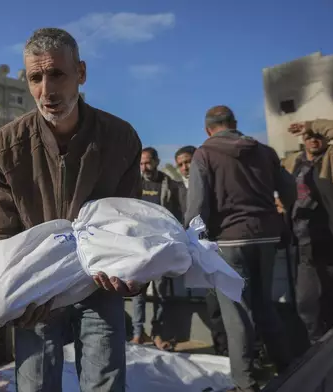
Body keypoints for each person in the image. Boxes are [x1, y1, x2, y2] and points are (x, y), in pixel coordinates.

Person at [0, 27, 142, 392]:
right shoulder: (7, 146)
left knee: (105, 382)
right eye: (35, 77)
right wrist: (16, 290)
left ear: (81, 73)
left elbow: (132, 224)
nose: (46, 90)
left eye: (56, 74)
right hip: (37, 290)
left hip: (99, 285)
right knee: (34, 383)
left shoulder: (120, 138)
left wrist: (132, 274)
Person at [185, 105, 296, 392]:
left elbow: (197, 205)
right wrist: (283, 220)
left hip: (229, 241)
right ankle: (287, 366)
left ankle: (245, 383)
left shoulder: (204, 154)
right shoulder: (264, 151)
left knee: (236, 313)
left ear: (208, 129)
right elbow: (290, 190)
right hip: (267, 238)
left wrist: (194, 241)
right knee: (264, 304)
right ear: (234, 123)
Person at [282, 120, 333, 344]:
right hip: (305, 241)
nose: (313, 139)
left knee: (332, 303)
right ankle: (317, 345)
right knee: (306, 302)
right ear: (302, 141)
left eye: (317, 135)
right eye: (308, 137)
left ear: (325, 138)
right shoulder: (292, 162)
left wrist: (311, 125)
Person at [175, 145, 229, 357]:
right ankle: (222, 350)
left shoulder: (211, 182)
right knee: (213, 304)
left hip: (219, 246)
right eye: (180, 164)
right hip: (200, 253)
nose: (185, 167)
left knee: (234, 302)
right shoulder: (176, 188)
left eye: (188, 161)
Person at [131, 147, 181, 349]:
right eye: (141, 163)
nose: (145, 167)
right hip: (138, 245)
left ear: (157, 161)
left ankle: (158, 333)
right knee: (137, 291)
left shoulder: (167, 183)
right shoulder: (135, 182)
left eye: (148, 162)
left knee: (161, 292)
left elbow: (176, 212)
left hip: (161, 245)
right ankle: (137, 333)